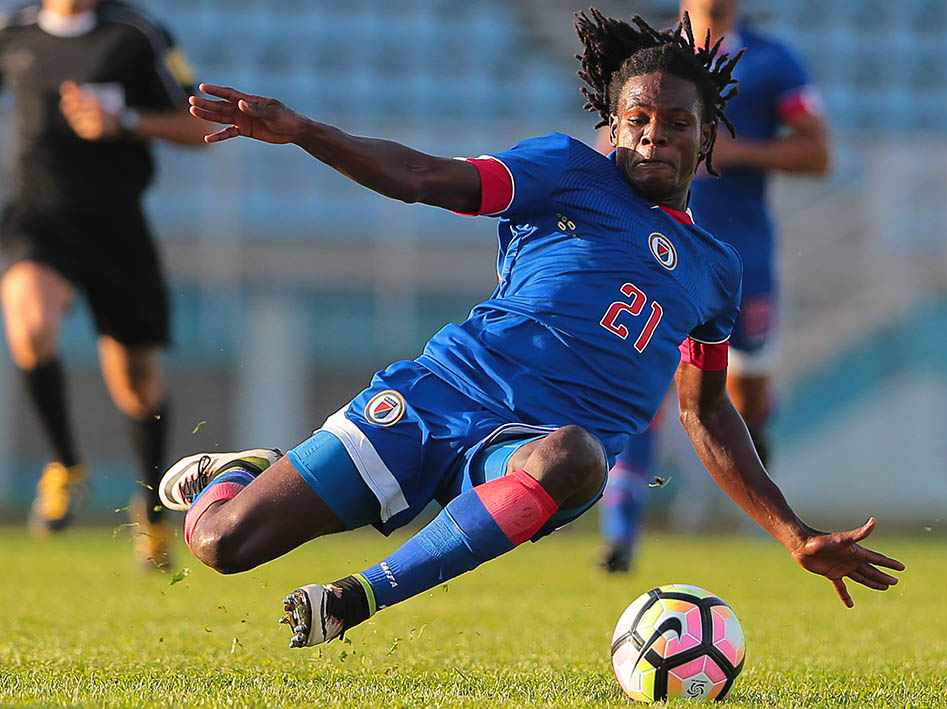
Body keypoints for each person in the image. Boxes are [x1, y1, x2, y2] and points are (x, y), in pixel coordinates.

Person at [161, 9, 902, 649]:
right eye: (637, 120)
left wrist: (794, 532)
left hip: (529, 452)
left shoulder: (715, 269)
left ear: (707, 139)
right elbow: (420, 176)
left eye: (677, 124)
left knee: (577, 455)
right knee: (222, 543)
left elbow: (704, 409)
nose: (653, 137)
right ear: (613, 125)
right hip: (441, 395)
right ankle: (246, 471)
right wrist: (306, 132)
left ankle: (355, 598)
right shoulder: (562, 170)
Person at [597, 0, 831, 572]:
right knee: (646, 387)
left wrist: (731, 150)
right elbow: (612, 136)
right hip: (657, 247)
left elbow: (818, 152)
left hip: (740, 257)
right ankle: (621, 534)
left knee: (742, 398)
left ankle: (754, 447)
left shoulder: (773, 61)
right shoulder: (650, 57)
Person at [0, 0, 208, 565]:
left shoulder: (135, 33)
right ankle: (66, 466)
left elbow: (201, 123)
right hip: (38, 221)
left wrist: (129, 122)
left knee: (137, 384)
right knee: (31, 327)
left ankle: (154, 514)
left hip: (118, 228)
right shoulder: (13, 32)